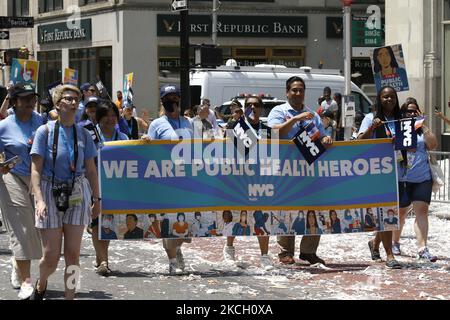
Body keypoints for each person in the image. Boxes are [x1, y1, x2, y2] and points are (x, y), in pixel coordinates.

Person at [30, 84, 101, 300]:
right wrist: (39, 200)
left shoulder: (84, 134)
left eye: (76, 99)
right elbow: (35, 169)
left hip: (77, 190)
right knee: (50, 256)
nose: (73, 103)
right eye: (69, 99)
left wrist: (97, 199)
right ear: (58, 103)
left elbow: (90, 169)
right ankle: (42, 283)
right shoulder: (45, 131)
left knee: (73, 253)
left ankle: (70, 296)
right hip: (50, 189)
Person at [267, 76, 333, 266]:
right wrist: (295, 119)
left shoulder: (313, 114)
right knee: (286, 209)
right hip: (285, 169)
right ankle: (285, 251)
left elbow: (321, 136)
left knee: (313, 208)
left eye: (301, 90)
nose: (298, 93)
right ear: (287, 92)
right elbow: (273, 132)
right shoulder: (278, 111)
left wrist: (326, 140)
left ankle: (309, 251)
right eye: (294, 90)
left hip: (309, 169)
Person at [0, 83, 43, 299]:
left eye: (32, 99)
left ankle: (17, 263)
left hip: (38, 180)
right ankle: (27, 281)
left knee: (38, 228)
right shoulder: (4, 126)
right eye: (24, 99)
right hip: (12, 178)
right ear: (14, 102)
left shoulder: (41, 122)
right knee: (22, 227)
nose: (29, 103)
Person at [147, 84, 193, 274]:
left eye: (174, 97)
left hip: (186, 179)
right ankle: (172, 261)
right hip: (165, 178)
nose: (171, 101)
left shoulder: (188, 122)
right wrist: (147, 143)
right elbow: (147, 151)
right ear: (162, 101)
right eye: (167, 97)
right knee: (168, 221)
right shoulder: (156, 124)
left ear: (179, 100)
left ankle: (177, 247)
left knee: (185, 224)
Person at [357, 85, 403, 269]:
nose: (389, 100)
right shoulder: (370, 118)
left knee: (389, 213)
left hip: (398, 171)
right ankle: (390, 255)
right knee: (386, 213)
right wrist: (371, 129)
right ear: (379, 99)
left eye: (392, 96)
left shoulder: (401, 120)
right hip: (377, 173)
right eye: (385, 97)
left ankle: (374, 244)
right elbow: (359, 140)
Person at [392, 98, 438, 262]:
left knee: (422, 211)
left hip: (422, 177)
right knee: (402, 213)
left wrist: (423, 124)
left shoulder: (422, 130)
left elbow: (432, 145)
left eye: (414, 111)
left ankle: (422, 248)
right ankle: (395, 242)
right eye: (408, 111)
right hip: (403, 178)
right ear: (402, 113)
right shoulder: (397, 128)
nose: (411, 114)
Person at [90, 100, 128, 276]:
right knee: (96, 223)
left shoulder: (123, 138)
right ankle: (104, 260)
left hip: (114, 188)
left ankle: (101, 257)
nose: (110, 119)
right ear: (99, 118)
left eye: (113, 115)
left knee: (107, 224)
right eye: (106, 115)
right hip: (93, 186)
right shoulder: (90, 136)